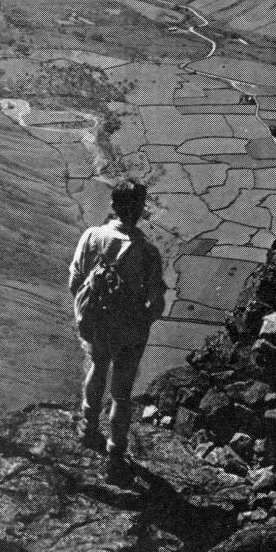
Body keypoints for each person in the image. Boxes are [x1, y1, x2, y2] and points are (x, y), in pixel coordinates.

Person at [69, 178, 166, 483]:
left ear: (113, 205)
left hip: (99, 323)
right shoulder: (148, 252)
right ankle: (115, 452)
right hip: (130, 330)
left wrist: (93, 311)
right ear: (141, 209)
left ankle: (88, 427)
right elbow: (157, 303)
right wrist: (141, 322)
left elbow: (75, 281)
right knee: (122, 395)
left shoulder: (92, 236)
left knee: (97, 367)